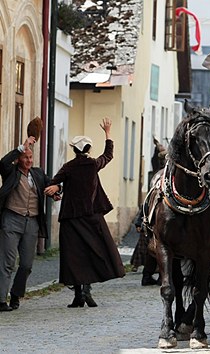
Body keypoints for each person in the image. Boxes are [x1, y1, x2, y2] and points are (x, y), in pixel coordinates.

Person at [44, 118, 125, 308]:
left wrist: (58, 190)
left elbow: (52, 185)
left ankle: (79, 294)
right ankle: (86, 291)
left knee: (74, 257)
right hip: (91, 217)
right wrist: (107, 132)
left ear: (74, 150)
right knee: (94, 253)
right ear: (88, 149)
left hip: (71, 219)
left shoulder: (68, 167)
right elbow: (108, 154)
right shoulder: (93, 164)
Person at [0, 136, 58, 311]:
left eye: (31, 157)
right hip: (11, 219)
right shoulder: (11, 172)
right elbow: (2, 163)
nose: (29, 160)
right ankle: (1, 300)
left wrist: (56, 190)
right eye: (25, 157)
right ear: (18, 159)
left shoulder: (38, 174)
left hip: (32, 222)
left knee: (26, 264)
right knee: (7, 262)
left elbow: (52, 184)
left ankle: (16, 294)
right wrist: (20, 148)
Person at [129, 212, 159, 285]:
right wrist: (139, 223)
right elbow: (144, 208)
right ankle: (149, 277)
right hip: (152, 226)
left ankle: (148, 277)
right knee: (153, 252)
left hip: (152, 225)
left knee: (153, 252)